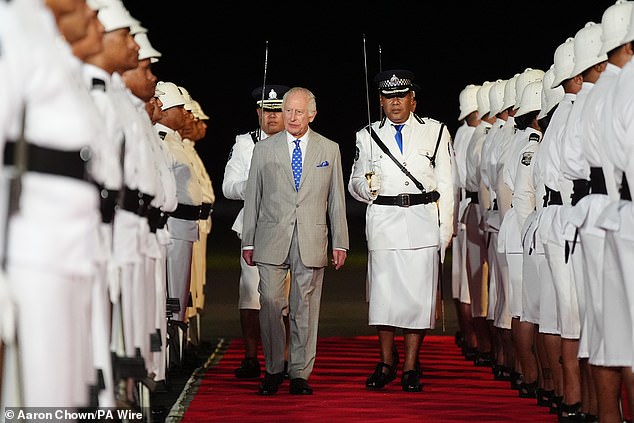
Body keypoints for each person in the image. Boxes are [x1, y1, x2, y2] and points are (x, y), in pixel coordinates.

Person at [348, 69, 453, 392]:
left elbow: (448, 186)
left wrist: (443, 232)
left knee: (417, 300)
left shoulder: (435, 132)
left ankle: (410, 364)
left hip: (421, 221)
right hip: (383, 222)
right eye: (389, 97)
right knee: (383, 298)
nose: (395, 103)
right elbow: (352, 182)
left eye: (401, 96)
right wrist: (366, 188)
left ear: (412, 99)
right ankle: (385, 361)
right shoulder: (366, 136)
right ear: (380, 101)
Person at [241, 86, 349, 396]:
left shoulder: (329, 149)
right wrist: (248, 241)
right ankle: (274, 367)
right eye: (288, 110)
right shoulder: (264, 149)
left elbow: (336, 200)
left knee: (305, 308)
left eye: (298, 111)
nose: (291, 116)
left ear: (311, 114)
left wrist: (340, 241)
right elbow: (254, 197)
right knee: (272, 303)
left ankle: (299, 372)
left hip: (312, 237)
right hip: (271, 237)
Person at [222, 84, 292, 380]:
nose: (272, 117)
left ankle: (286, 358)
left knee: (286, 300)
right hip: (255, 227)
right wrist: (252, 184)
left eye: (278, 110)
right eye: (267, 110)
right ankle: (251, 356)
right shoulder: (245, 143)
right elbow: (228, 187)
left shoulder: (298, 143)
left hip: (289, 226)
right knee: (251, 296)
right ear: (258, 112)